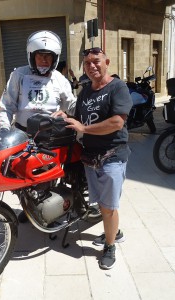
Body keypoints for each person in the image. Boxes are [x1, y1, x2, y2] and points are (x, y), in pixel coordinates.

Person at [57, 47, 132, 269]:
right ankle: (114, 232)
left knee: (108, 207)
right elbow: (80, 119)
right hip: (90, 158)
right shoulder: (86, 91)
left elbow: (117, 122)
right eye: (87, 63)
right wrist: (66, 116)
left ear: (106, 62)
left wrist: (84, 129)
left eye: (96, 61)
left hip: (112, 158)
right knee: (103, 205)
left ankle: (109, 247)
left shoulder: (118, 87)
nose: (91, 66)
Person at [0, 30, 76, 221]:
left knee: (45, 176)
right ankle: (28, 207)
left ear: (55, 59)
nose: (44, 60)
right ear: (32, 56)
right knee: (20, 176)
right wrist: (3, 130)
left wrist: (74, 108)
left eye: (48, 57)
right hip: (22, 134)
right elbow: (7, 105)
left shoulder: (59, 78)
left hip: (49, 137)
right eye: (40, 56)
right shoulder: (19, 75)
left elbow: (71, 104)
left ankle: (46, 208)